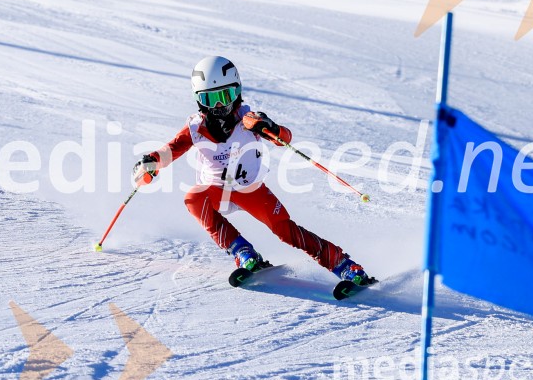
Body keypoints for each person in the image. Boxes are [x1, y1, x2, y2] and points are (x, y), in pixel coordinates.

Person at [133, 56, 373, 285]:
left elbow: (284, 138)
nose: (219, 105)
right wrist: (151, 164)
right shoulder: (195, 127)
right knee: (193, 198)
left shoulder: (248, 120)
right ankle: (243, 252)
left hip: (251, 190)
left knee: (286, 231)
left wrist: (269, 127)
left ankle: (345, 266)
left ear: (237, 92)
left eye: (225, 95)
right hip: (216, 190)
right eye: (210, 99)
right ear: (199, 100)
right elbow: (172, 149)